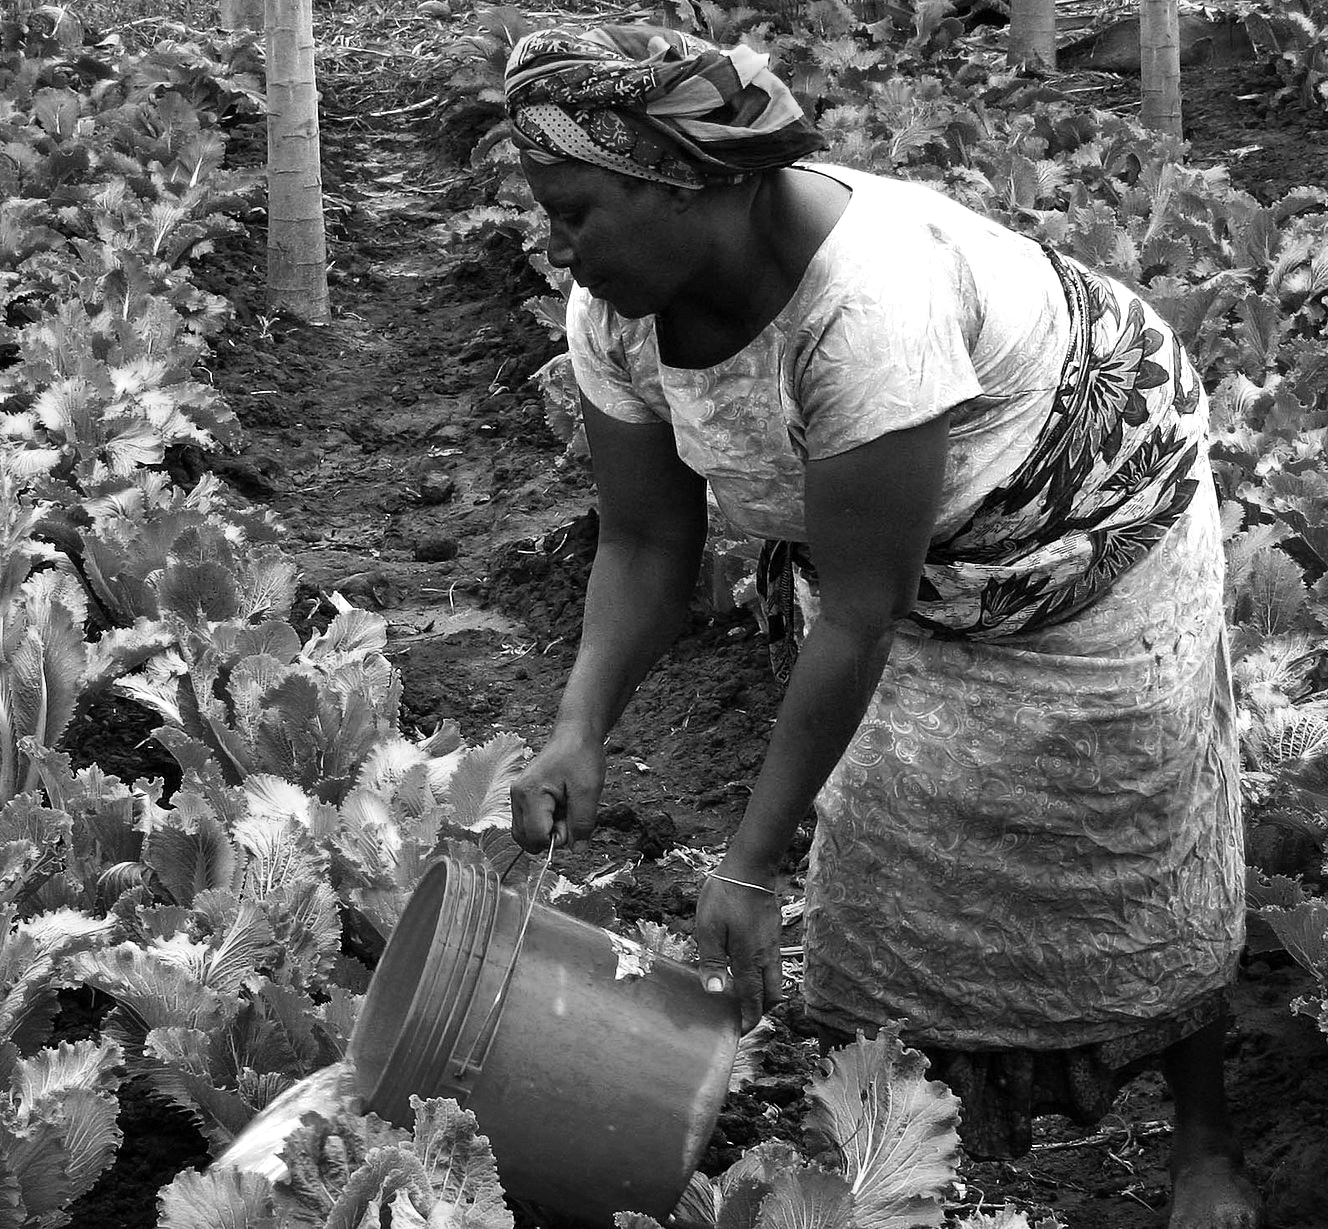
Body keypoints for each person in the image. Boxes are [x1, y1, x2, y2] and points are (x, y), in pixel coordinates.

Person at [499, 22, 1260, 1229]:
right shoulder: (616, 315)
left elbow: (858, 610)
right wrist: (578, 726)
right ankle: (891, 1149)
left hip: (1095, 524)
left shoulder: (870, 298)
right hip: (901, 557)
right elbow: (647, 543)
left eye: (578, 210)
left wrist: (745, 865)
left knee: (1133, 829)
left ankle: (1206, 1135)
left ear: (690, 182)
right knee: (887, 854)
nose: (558, 244)